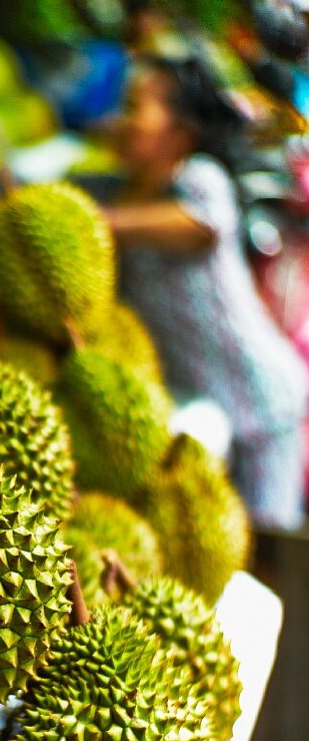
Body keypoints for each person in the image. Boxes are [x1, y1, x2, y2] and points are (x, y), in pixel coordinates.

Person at [101, 55, 308, 530]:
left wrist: (91, 221)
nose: (119, 120)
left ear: (180, 133)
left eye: (135, 107)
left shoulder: (199, 180)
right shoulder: (114, 191)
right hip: (207, 418)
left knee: (268, 545)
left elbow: (201, 225)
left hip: (261, 404)